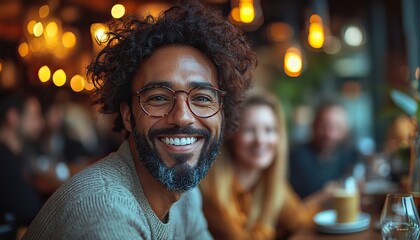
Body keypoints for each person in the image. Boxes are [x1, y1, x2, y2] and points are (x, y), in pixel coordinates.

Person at [23, 1, 256, 239]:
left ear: (222, 113)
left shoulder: (185, 196)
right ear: (127, 116)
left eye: (202, 98)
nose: (182, 116)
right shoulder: (104, 210)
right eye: (158, 98)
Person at [200, 92, 330, 239]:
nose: (260, 140)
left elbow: (298, 220)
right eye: (249, 129)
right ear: (230, 134)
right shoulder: (212, 188)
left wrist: (327, 196)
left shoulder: (271, 182)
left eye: (269, 130)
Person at [289, 100, 360, 198]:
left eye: (337, 127)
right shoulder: (296, 157)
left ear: (345, 130)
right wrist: (324, 195)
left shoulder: (351, 156)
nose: (329, 134)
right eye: (324, 126)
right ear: (314, 126)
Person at [0, 90, 44, 235]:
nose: (40, 123)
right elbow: (31, 210)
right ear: (13, 117)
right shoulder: (4, 159)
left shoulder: (16, 156)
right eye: (34, 116)